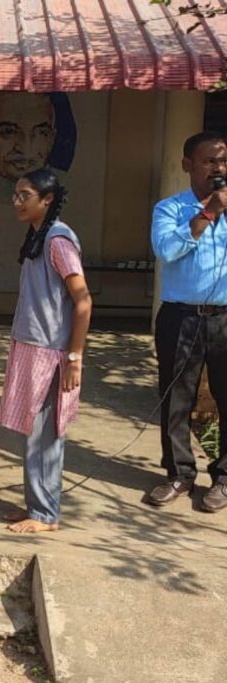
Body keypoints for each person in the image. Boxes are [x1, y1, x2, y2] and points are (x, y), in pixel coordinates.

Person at [0, 168, 91, 534]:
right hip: (31, 345)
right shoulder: (39, 235)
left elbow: (83, 301)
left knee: (45, 433)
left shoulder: (58, 240)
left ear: (47, 200)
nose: (17, 202)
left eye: (25, 196)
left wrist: (74, 357)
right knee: (31, 430)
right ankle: (35, 505)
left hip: (51, 352)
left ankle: (46, 515)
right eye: (16, 194)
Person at [147, 130, 227, 512]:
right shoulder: (169, 209)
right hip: (181, 317)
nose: (218, 168)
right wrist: (208, 213)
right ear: (187, 165)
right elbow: (165, 251)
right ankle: (179, 474)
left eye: (223, 160)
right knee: (176, 398)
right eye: (209, 160)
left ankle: (224, 479)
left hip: (224, 317)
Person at [0, 92, 59, 204]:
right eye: (8, 132)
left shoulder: (65, 183)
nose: (25, 149)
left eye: (41, 133)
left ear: (52, 139)